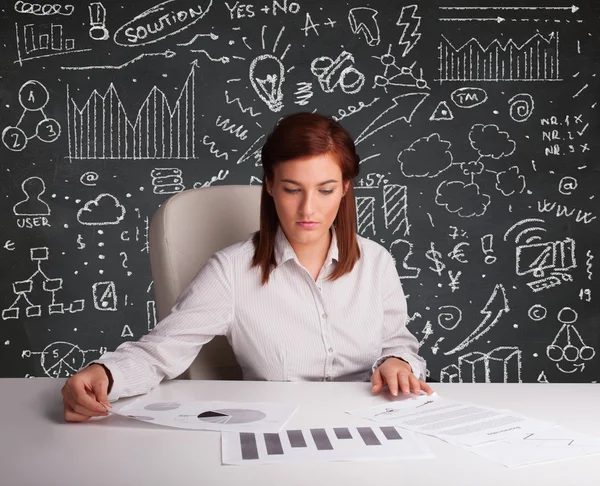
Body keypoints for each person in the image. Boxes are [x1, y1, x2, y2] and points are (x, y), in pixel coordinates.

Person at [61, 112, 433, 423]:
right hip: (277, 428)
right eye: (292, 189)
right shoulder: (231, 271)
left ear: (345, 188)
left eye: (324, 189)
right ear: (270, 186)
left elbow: (397, 343)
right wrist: (105, 375)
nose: (308, 209)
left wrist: (398, 362)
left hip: (374, 428)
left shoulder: (377, 261)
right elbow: (162, 350)